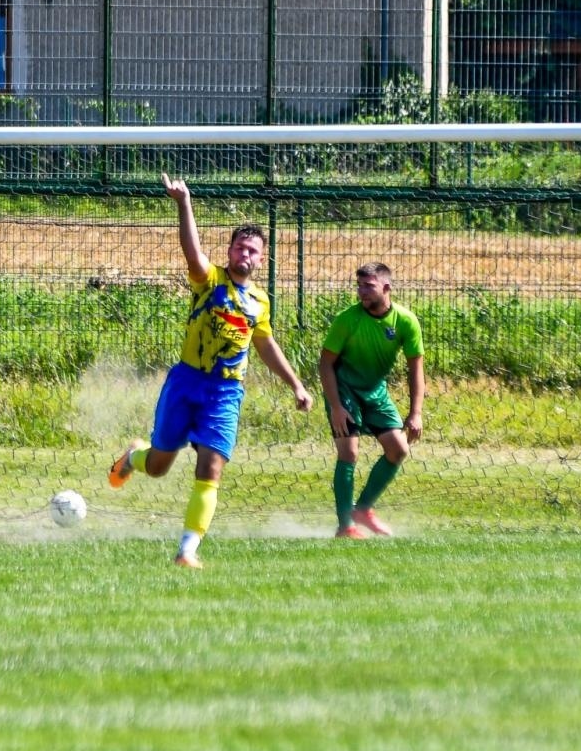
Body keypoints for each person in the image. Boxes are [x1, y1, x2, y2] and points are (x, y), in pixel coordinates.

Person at [108, 173, 314, 568]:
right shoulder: (209, 280)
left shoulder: (260, 302)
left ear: (262, 259)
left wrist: (296, 385)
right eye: (240, 247)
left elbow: (265, 344)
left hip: (225, 392)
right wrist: (184, 203)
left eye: (253, 250)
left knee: (211, 466)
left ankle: (186, 551)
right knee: (158, 467)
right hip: (186, 382)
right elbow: (192, 253)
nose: (245, 255)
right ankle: (134, 456)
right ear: (230, 251)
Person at [318, 262, 425, 539]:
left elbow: (416, 369)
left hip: (375, 392)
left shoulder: (405, 321)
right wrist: (336, 407)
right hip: (344, 390)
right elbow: (325, 363)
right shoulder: (347, 319)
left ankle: (363, 509)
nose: (361, 292)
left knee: (398, 449)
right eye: (359, 286)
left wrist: (416, 413)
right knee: (349, 452)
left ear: (386, 287)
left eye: (368, 286)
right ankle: (345, 527)